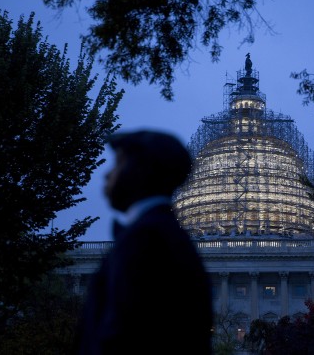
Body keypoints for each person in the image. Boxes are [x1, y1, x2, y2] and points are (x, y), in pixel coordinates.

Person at [74, 129, 213, 354]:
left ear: (139, 172)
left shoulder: (146, 238)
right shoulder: (167, 235)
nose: (107, 175)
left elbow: (124, 331)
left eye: (117, 165)